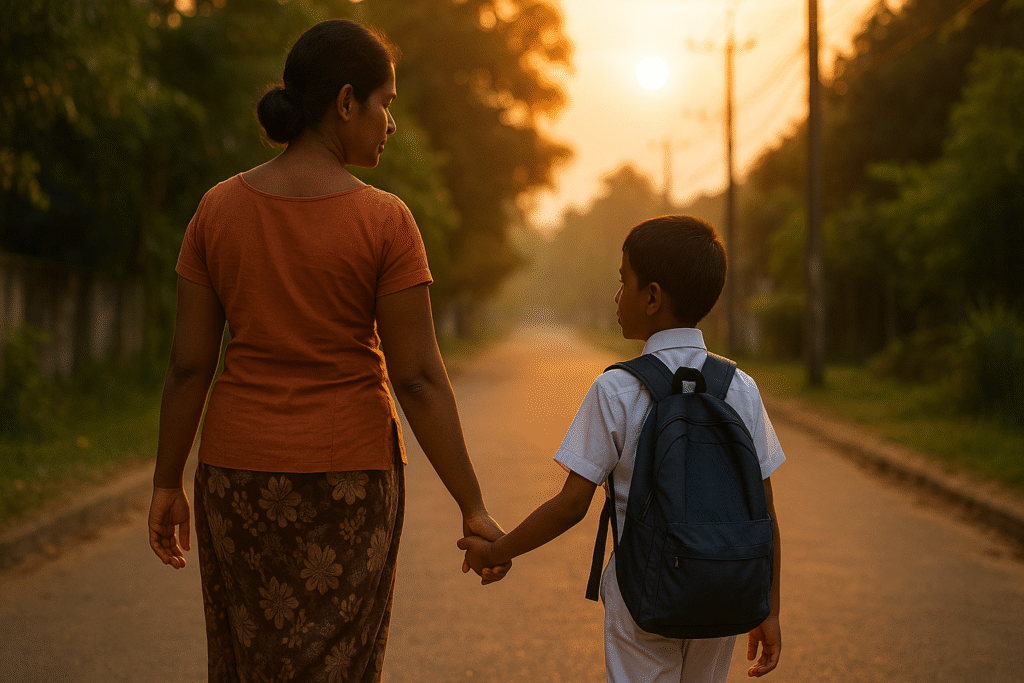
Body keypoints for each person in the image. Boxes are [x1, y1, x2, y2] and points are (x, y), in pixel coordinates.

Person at [147, 19, 508, 683]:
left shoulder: (216, 210)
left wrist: (168, 481)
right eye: (386, 104)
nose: (390, 124)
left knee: (248, 660)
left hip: (235, 474)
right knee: (336, 665)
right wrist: (473, 505)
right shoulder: (386, 221)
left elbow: (189, 365)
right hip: (351, 485)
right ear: (346, 102)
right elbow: (421, 380)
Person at [460, 215, 785, 682]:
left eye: (622, 282)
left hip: (642, 591)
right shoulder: (741, 388)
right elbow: (766, 514)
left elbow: (571, 505)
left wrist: (499, 551)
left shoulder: (618, 389)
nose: (616, 297)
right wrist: (768, 607)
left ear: (652, 297)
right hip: (723, 588)